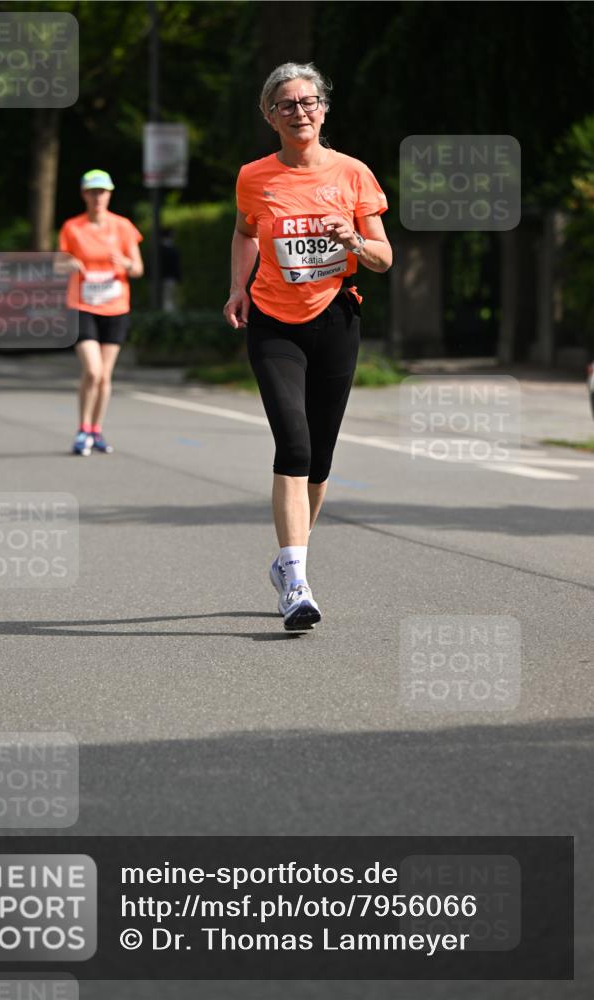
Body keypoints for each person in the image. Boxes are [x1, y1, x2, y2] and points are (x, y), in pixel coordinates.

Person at [223, 63, 392, 631]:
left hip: (337, 318)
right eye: (287, 104)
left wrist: (356, 239)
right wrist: (237, 289)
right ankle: (296, 580)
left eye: (309, 101)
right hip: (274, 321)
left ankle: (291, 557)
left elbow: (384, 257)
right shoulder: (254, 176)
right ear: (270, 115)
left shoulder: (353, 174)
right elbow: (247, 232)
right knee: (292, 443)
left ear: (324, 109)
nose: (300, 111)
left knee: (319, 459)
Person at [59, 169, 143, 456]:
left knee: (105, 375)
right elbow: (58, 263)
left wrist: (126, 263)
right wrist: (68, 264)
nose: (98, 197)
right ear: (84, 194)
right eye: (93, 192)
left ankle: (96, 429)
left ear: (109, 194)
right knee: (92, 370)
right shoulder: (73, 227)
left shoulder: (123, 227)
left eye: (103, 192)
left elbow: (138, 268)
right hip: (82, 306)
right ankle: (82, 429)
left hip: (115, 306)